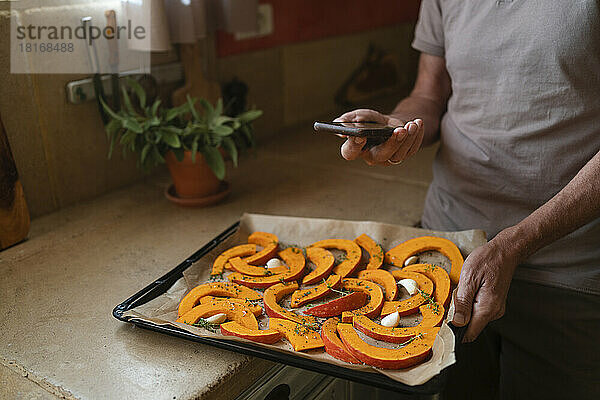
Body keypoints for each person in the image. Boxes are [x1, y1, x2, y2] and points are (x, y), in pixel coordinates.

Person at [335, 1, 600, 399]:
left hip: (565, 272)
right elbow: (429, 93)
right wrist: (395, 128)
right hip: (448, 252)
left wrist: (513, 243)